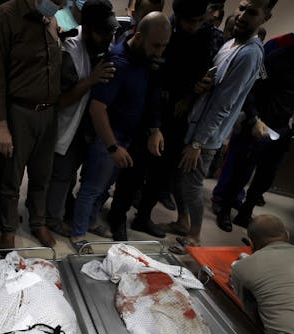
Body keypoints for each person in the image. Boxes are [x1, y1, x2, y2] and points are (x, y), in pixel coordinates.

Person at [214, 0, 294, 233]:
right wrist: (253, 118)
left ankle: (246, 209)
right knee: (240, 170)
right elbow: (250, 87)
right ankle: (223, 209)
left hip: (283, 126)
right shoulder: (277, 47)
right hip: (257, 121)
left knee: (266, 175)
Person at [109, 0, 213, 241]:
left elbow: (203, 73)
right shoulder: (161, 32)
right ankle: (118, 216)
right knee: (133, 169)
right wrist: (155, 124)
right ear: (177, 14)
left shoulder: (204, 37)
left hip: (179, 116)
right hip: (150, 113)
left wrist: (191, 93)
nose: (194, 27)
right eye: (190, 21)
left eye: (199, 21)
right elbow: (152, 78)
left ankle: (144, 216)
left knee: (162, 173)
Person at [175, 0, 275, 248]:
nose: (241, 16)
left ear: (266, 18)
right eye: (241, 8)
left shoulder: (250, 53)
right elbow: (214, 84)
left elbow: (224, 104)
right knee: (180, 180)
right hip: (195, 123)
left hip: (205, 136)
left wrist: (198, 143)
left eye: (251, 13)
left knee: (191, 186)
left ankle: (195, 234)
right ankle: (182, 221)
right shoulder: (231, 43)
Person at [70, 12, 171, 251]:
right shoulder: (118, 62)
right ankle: (77, 234)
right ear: (138, 36)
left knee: (105, 187)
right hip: (109, 138)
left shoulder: (144, 59)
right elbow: (97, 108)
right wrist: (112, 146)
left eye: (164, 46)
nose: (159, 52)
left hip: (127, 137)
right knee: (92, 187)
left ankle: (92, 220)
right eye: (156, 45)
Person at [0, 0, 65, 249]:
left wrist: (52, 26)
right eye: (57, 1)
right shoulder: (5, 16)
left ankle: (38, 222)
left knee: (42, 174)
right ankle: (8, 228)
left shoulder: (50, 16)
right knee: (11, 177)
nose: (60, 5)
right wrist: (0, 123)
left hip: (49, 111)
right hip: (18, 110)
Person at [44, 0, 118, 238]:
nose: (107, 37)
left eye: (110, 31)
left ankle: (72, 212)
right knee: (61, 176)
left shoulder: (105, 45)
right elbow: (60, 100)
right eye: (101, 32)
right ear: (87, 28)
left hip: (91, 128)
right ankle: (52, 220)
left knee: (83, 177)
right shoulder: (69, 51)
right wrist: (90, 80)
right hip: (68, 127)